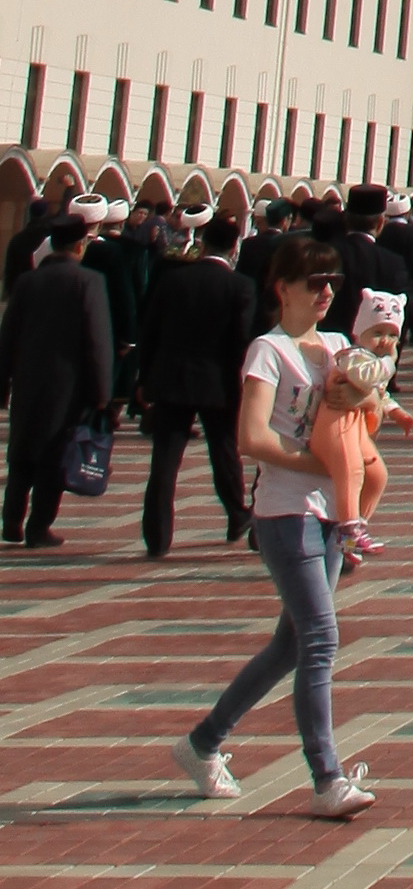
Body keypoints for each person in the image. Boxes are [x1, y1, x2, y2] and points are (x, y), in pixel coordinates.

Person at [176, 232, 370, 817]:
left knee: (290, 644)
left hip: (328, 511)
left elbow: (361, 413)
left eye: (331, 282)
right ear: (282, 287)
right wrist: (314, 462)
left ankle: (202, 742)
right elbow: (251, 436)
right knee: (320, 637)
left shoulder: (335, 345)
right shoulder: (269, 350)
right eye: (314, 283)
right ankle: (328, 778)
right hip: (285, 513)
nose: (325, 293)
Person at [3, 206, 114, 550]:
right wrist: (102, 392)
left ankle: (11, 521)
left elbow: (8, 335)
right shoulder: (88, 281)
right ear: (80, 246)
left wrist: (2, 381)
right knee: (54, 454)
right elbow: (97, 339)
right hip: (68, 385)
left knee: (22, 451)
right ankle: (39, 526)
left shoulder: (27, 281)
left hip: (27, 379)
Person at [141, 213, 252, 555]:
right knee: (223, 451)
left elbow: (150, 332)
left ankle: (157, 537)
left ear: (202, 242)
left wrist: (144, 378)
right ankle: (236, 513)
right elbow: (241, 340)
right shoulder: (240, 286)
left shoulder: (173, 279)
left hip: (172, 378)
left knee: (165, 459)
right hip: (219, 381)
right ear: (234, 247)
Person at [308, 295, 411, 555]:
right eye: (377, 333)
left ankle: (359, 527)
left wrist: (397, 413)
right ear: (360, 332)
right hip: (336, 423)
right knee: (351, 469)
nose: (385, 341)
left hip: (356, 427)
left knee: (377, 476)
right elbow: (365, 377)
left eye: (392, 335)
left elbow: (381, 394)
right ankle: (348, 530)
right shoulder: (352, 356)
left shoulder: (374, 363)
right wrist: (389, 361)